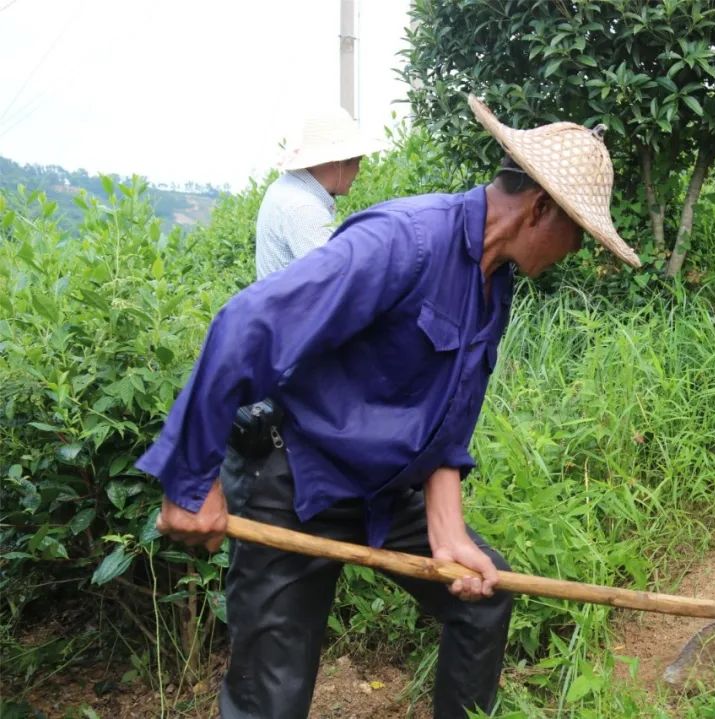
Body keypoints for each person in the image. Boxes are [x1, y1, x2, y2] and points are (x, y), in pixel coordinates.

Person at [135, 95, 641, 719]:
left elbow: (452, 417)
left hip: (382, 492)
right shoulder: (404, 241)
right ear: (540, 209)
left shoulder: (493, 282)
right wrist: (190, 482)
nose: (575, 250)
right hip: (296, 482)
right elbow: (246, 325)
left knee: (482, 598)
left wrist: (447, 530)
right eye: (577, 234)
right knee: (271, 694)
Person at [255, 108, 371, 279]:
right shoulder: (303, 207)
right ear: (338, 162)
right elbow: (338, 277)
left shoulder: (288, 187)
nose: (358, 171)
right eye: (356, 162)